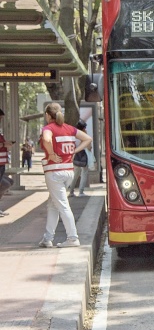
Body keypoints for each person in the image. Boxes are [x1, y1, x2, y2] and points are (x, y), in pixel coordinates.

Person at [39, 103, 92, 248]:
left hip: (54, 172)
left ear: (48, 115)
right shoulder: (69, 128)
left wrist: (50, 153)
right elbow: (88, 139)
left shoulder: (48, 128)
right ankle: (47, 238)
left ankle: (73, 238)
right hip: (68, 171)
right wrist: (74, 151)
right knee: (53, 204)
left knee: (62, 205)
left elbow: (47, 139)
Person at [69, 120, 91, 197]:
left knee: (75, 174)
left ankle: (71, 191)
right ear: (84, 128)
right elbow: (89, 147)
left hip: (75, 156)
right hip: (82, 156)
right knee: (84, 173)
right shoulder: (83, 136)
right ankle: (81, 191)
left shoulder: (73, 135)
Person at [0, 108, 15, 217]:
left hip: (2, 163)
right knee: (4, 183)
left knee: (6, 183)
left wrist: (6, 144)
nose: (1, 120)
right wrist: (4, 145)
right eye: (0, 118)